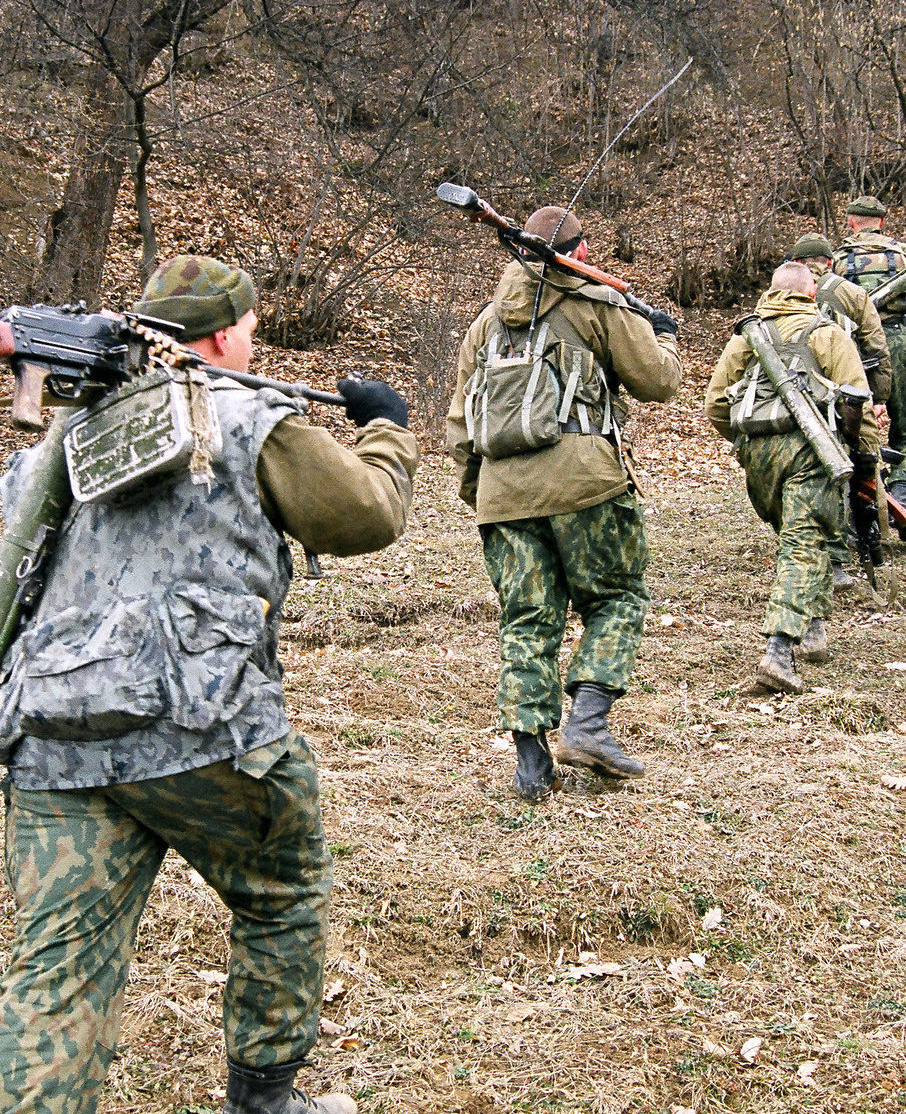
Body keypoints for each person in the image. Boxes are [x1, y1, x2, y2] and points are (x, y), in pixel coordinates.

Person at [0, 256, 420, 1114]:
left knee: (57, 972)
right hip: (204, 728)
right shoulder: (248, 415)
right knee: (282, 890)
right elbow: (367, 516)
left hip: (49, 732)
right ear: (227, 334)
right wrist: (387, 428)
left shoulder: (63, 442)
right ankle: (265, 1099)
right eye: (253, 329)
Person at [447, 206, 682, 802]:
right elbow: (658, 382)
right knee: (616, 598)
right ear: (578, 253)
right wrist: (661, 335)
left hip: (502, 497)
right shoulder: (599, 306)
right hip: (586, 487)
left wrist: (480, 492)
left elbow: (460, 424)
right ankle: (588, 727)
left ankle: (531, 763)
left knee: (528, 617)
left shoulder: (484, 325)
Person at [705, 261, 878, 694]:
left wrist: (749, 444)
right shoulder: (827, 333)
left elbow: (715, 405)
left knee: (801, 534)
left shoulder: (747, 337)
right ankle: (778, 651)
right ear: (811, 291)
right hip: (810, 451)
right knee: (804, 542)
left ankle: (814, 629)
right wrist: (866, 457)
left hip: (757, 456)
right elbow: (859, 399)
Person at [786, 231, 891, 588]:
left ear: (797, 263)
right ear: (830, 262)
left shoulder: (781, 292)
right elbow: (877, 350)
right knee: (849, 465)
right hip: (846, 393)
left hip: (793, 397)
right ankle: (840, 551)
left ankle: (806, 547)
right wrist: (878, 397)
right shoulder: (853, 293)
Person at [832, 195, 906, 502]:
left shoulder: (837, 260)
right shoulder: (901, 257)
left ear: (851, 222)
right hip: (899, 340)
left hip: (852, 347)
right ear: (882, 222)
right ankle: (902, 490)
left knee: (852, 424)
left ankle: (861, 491)